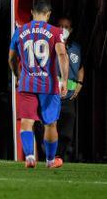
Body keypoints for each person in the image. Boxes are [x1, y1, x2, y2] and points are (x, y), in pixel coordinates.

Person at [8, 0, 69, 169]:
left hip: (27, 83)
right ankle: (50, 161)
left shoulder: (19, 31)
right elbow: (62, 54)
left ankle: (29, 157)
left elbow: (11, 58)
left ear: (32, 12)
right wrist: (64, 80)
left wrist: (18, 75)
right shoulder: (55, 32)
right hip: (48, 86)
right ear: (48, 15)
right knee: (50, 124)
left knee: (27, 122)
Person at [56, 16, 84, 162]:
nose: (63, 30)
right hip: (52, 96)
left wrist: (79, 85)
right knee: (49, 127)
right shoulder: (49, 45)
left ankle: (59, 156)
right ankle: (48, 155)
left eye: (66, 27)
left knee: (67, 132)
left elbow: (80, 68)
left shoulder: (76, 48)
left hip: (69, 98)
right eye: (60, 26)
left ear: (71, 30)